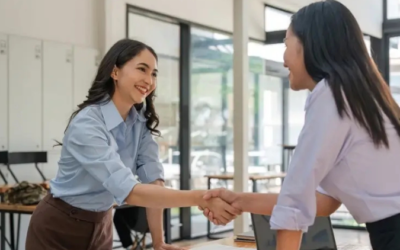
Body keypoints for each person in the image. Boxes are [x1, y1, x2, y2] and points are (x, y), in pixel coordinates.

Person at [200, 1, 400, 249]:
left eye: (286, 44)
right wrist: (239, 201)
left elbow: (296, 199)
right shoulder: (361, 95)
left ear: (310, 43)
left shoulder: (331, 95)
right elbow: (324, 202)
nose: (284, 59)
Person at [25, 39, 240, 250]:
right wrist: (199, 198)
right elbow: (130, 191)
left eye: (153, 73)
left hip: (101, 225)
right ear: (115, 72)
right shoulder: (87, 123)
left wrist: (159, 242)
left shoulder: (139, 123)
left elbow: (154, 183)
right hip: (57, 227)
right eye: (142, 69)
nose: (149, 80)